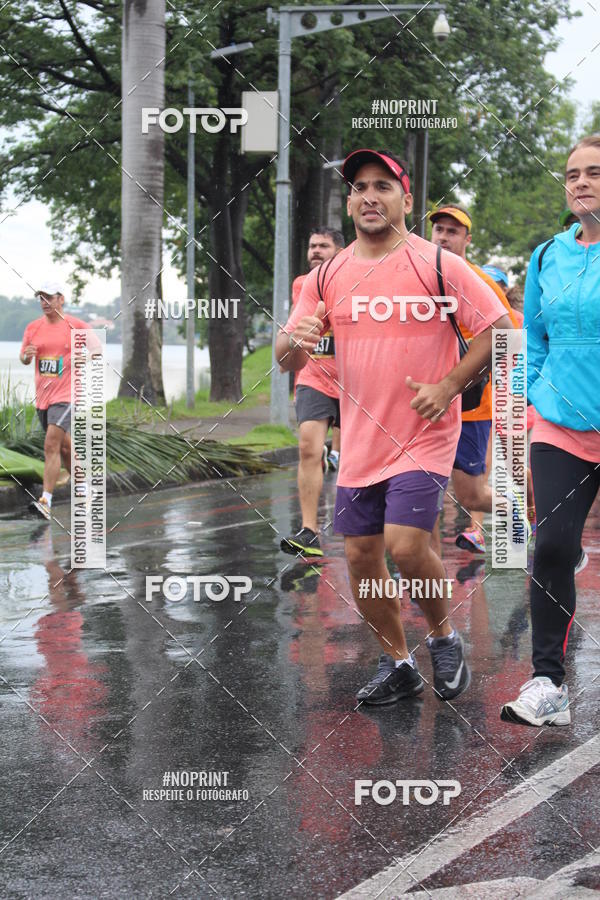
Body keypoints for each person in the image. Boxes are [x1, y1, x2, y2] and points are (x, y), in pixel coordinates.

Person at [277, 149, 511, 705]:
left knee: (406, 546)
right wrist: (297, 342)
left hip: (424, 434)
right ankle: (398, 662)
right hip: (360, 439)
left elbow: (499, 330)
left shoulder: (437, 265)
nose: (369, 196)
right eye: (359, 187)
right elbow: (286, 356)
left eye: (383, 186)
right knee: (360, 556)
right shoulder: (327, 274)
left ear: (406, 200)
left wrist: (449, 386)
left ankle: (443, 637)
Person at [501, 135, 600, 727]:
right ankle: (548, 683)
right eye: (572, 174)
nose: (581, 182)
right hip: (559, 424)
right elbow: (532, 340)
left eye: (594, 172)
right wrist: (522, 407)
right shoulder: (546, 257)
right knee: (554, 544)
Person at [429, 207, 521, 557]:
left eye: (453, 231)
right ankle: (427, 572)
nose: (444, 237)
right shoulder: (417, 278)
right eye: (439, 229)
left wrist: (477, 377)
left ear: (467, 240)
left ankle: (514, 508)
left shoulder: (480, 281)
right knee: (424, 492)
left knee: (471, 495)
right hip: (423, 403)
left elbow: (508, 337)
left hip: (470, 405)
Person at [280, 226, 344, 559]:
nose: (316, 250)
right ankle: (309, 531)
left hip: (353, 380)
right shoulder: (302, 284)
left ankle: (358, 523)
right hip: (313, 376)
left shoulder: (356, 281)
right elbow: (303, 324)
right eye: (312, 245)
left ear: (341, 252)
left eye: (324, 246)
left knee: (356, 457)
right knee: (308, 447)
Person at [20, 281, 89, 520]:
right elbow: (25, 358)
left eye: (49, 297)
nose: (44, 302)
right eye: (41, 298)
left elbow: (96, 349)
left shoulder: (76, 325)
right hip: (44, 398)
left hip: (67, 395)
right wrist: (26, 356)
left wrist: (84, 357)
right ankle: (83, 488)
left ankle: (45, 501)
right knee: (64, 446)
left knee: (51, 444)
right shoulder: (33, 328)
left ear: (61, 299)